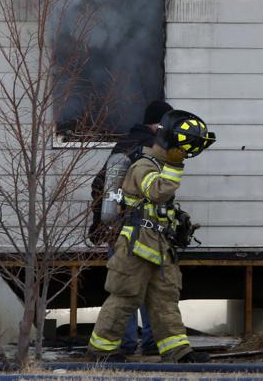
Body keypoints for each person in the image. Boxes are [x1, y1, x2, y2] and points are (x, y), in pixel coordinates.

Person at [87, 108, 216, 364]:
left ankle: (177, 351)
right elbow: (157, 192)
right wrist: (177, 164)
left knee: (165, 300)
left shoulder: (161, 166)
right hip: (135, 245)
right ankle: (101, 351)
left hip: (159, 245)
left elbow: (160, 205)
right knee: (125, 297)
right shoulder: (143, 165)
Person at [87, 100, 169, 356]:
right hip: (145, 230)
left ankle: (125, 343)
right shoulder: (150, 149)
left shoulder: (124, 145)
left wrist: (100, 224)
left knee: (123, 287)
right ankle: (153, 342)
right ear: (157, 124)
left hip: (118, 229)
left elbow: (99, 185)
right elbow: (159, 192)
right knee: (150, 287)